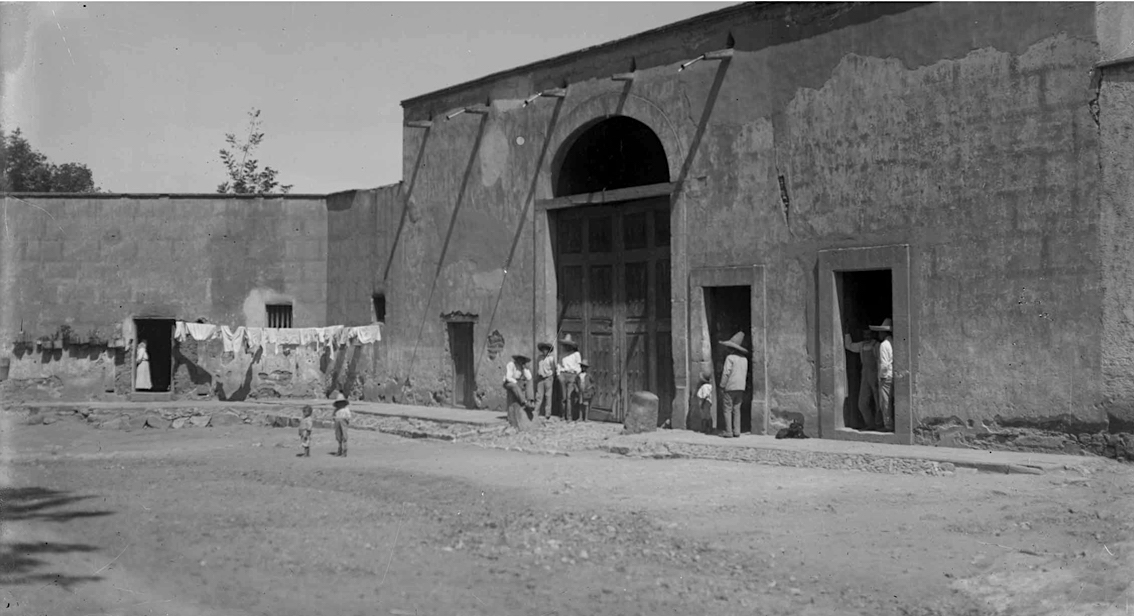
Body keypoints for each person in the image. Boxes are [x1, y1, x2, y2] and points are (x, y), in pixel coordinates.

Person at [843, 328, 882, 431]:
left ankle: (879, 424)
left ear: (872, 334)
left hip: (875, 374)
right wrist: (847, 333)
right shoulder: (861, 345)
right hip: (865, 375)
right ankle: (870, 423)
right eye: (865, 334)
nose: (867, 337)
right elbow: (849, 346)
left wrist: (879, 376)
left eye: (868, 334)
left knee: (878, 402)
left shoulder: (876, 346)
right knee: (862, 402)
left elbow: (880, 361)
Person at [718, 332, 749, 438]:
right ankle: (737, 431)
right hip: (741, 387)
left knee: (727, 409)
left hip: (730, 387)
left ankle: (728, 431)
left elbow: (726, 373)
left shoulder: (730, 358)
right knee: (737, 409)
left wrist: (722, 385)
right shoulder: (744, 360)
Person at [871, 318, 895, 432]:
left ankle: (888, 425)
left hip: (886, 376)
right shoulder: (893, 342)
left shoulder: (884, 345)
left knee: (885, 402)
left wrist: (881, 377)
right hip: (892, 374)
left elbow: (884, 364)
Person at [503, 352, 534, 428]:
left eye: (523, 360)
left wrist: (525, 368)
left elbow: (529, 377)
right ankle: (524, 402)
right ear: (517, 359)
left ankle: (530, 400)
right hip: (509, 382)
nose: (521, 361)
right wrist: (516, 382)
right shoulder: (511, 365)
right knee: (514, 386)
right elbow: (508, 377)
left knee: (529, 382)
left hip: (518, 382)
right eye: (520, 360)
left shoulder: (522, 367)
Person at [556, 334, 582, 421]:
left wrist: (576, 375)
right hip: (563, 375)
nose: (566, 347)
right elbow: (559, 364)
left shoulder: (576, 354)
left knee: (569, 396)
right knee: (563, 397)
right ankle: (563, 415)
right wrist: (559, 374)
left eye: (568, 345)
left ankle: (569, 416)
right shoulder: (562, 354)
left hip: (572, 375)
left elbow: (579, 366)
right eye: (565, 345)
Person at [533, 342, 556, 418]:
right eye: (543, 350)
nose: (544, 351)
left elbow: (553, 368)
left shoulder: (551, 358)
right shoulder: (539, 358)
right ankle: (536, 412)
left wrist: (550, 376)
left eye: (546, 350)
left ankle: (547, 413)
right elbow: (537, 367)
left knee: (548, 396)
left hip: (548, 378)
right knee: (539, 396)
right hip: (540, 378)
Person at [332, 392, 351, 457]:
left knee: (344, 436)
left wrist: (346, 419)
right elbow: (333, 416)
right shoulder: (336, 410)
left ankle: (344, 450)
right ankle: (339, 449)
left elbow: (348, 416)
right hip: (337, 423)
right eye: (339, 403)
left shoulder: (346, 409)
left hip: (343, 423)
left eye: (341, 402)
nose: (340, 404)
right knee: (338, 436)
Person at [695, 368, 714, 434]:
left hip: (705, 401)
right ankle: (708, 428)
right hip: (709, 401)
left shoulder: (704, 387)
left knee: (705, 415)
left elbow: (703, 395)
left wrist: (701, 402)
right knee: (708, 414)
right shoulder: (710, 386)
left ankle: (706, 428)